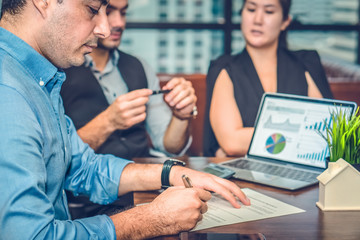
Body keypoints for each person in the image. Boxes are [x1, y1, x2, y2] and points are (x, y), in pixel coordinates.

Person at [0, 0, 252, 239]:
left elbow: (81, 166)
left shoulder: (40, 77)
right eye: (91, 9)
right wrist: (153, 218)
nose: (105, 29)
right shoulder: (8, 93)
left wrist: (171, 173)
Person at [60, 0, 197, 219]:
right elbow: (59, 160)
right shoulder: (60, 70)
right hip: (86, 204)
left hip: (145, 193)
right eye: (105, 11)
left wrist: (181, 116)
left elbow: (171, 146)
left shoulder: (139, 66)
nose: (117, 23)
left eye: (123, 13)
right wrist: (109, 122)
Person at [203, 0, 333, 157]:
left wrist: (249, 140)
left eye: (269, 12)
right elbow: (232, 143)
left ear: (285, 21)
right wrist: (300, 138)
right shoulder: (224, 68)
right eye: (251, 9)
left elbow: (326, 137)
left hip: (303, 175)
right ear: (242, 14)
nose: (258, 20)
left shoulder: (306, 64)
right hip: (246, 177)